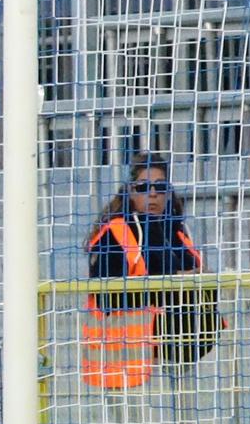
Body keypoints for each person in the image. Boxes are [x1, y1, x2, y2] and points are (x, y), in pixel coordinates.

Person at [81, 153, 210, 391]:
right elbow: (106, 298)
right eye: (143, 187)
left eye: (160, 187)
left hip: (175, 356)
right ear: (129, 191)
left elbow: (199, 279)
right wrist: (166, 285)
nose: (152, 194)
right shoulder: (116, 234)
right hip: (125, 360)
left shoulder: (178, 232)